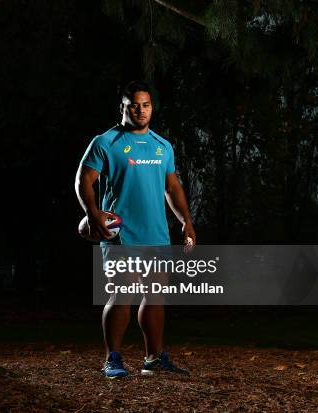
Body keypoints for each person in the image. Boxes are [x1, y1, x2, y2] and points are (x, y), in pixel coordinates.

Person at [74, 80, 196, 378]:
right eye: (134, 105)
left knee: (155, 297)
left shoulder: (162, 145)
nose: (141, 111)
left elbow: (172, 187)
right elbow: (83, 181)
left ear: (152, 107)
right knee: (122, 295)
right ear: (123, 108)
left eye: (146, 105)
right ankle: (112, 359)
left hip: (156, 235)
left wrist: (186, 221)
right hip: (121, 235)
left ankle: (153, 359)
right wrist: (91, 214)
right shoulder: (106, 142)